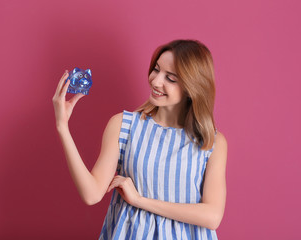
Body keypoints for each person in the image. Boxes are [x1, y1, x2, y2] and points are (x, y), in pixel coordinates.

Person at [52, 39, 227, 239]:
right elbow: (91, 194)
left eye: (170, 78)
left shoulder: (212, 142)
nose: (156, 81)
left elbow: (212, 216)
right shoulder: (123, 126)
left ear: (192, 87)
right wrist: (62, 127)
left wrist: (139, 200)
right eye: (156, 69)